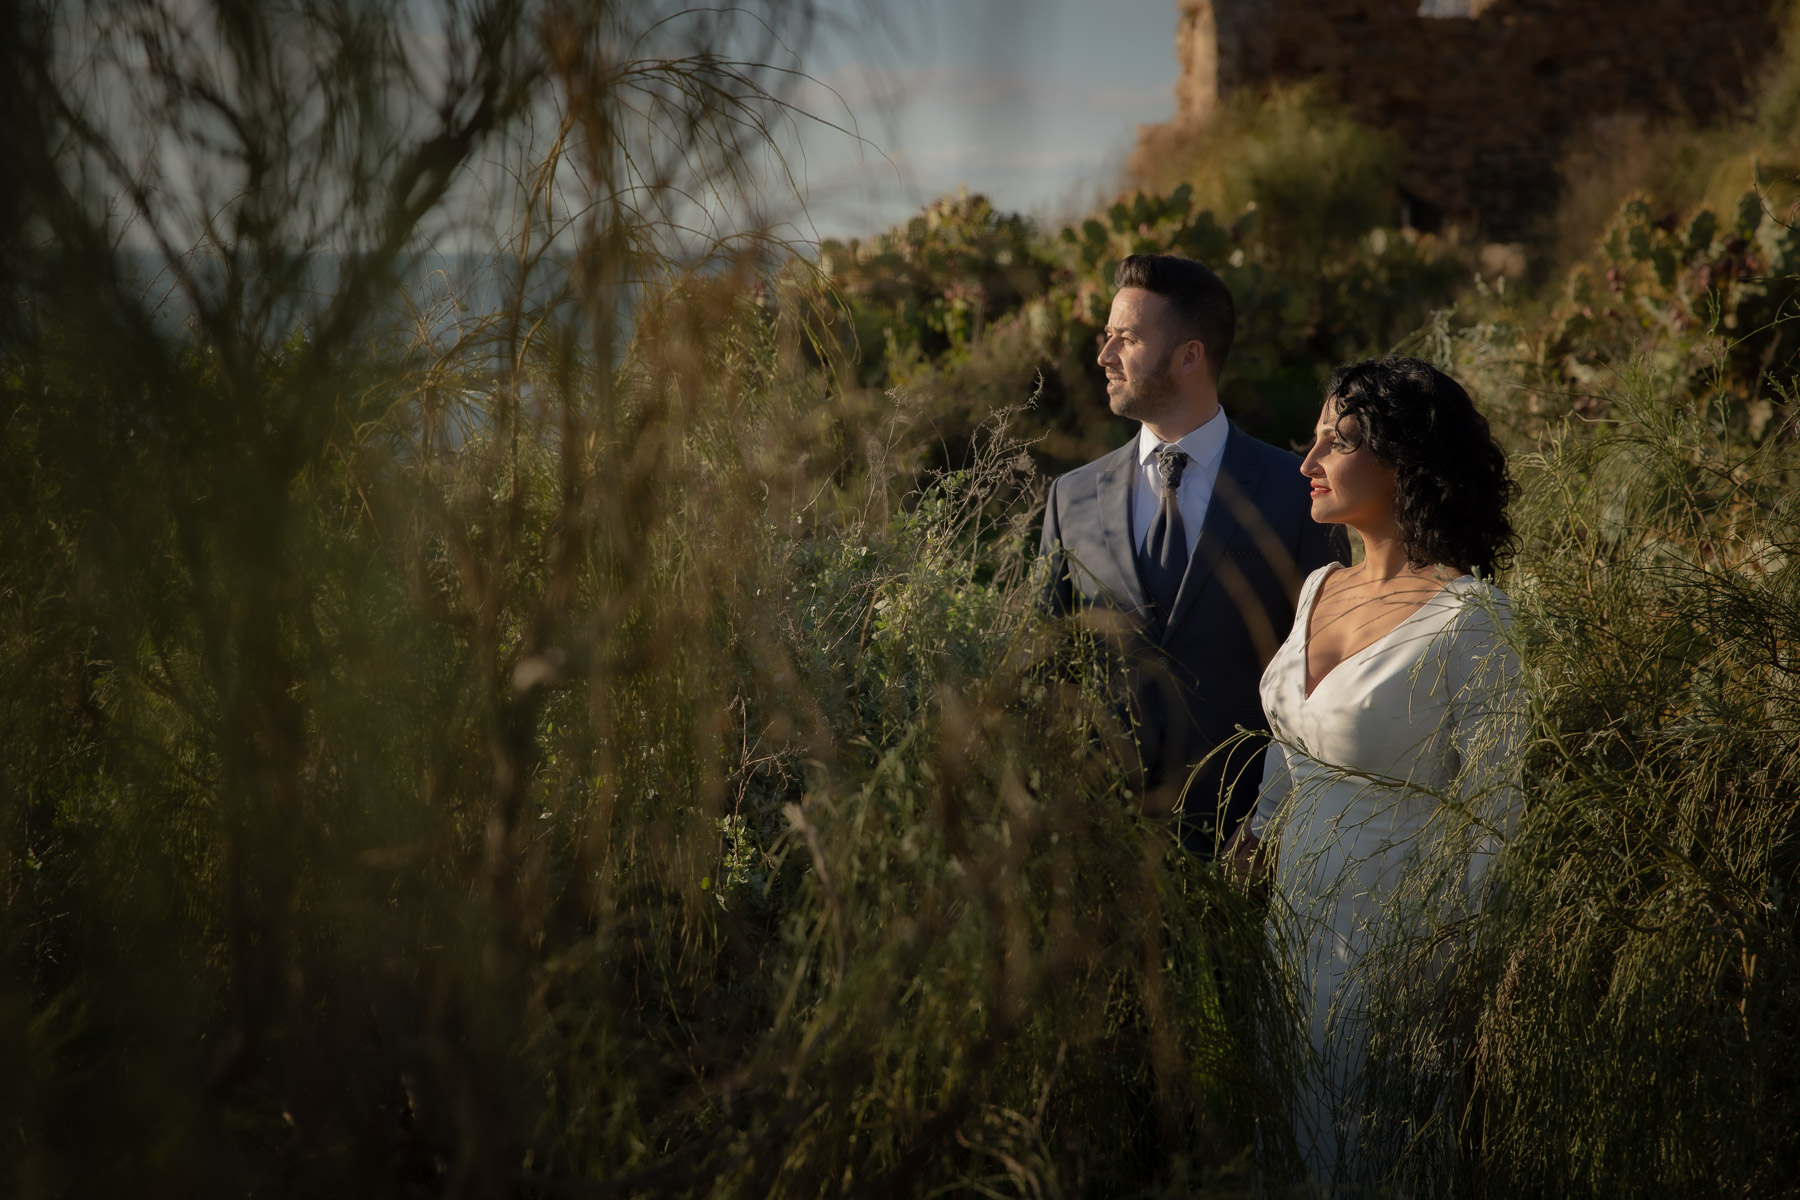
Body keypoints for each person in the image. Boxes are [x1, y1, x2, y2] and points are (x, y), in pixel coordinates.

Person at [1229, 356, 1523, 1190]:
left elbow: (1499, 812)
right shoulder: (1319, 586)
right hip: (1292, 928)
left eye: (1338, 440)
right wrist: (1256, 835)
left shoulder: (1475, 618)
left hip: (1400, 943)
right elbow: (1293, 746)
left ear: (1404, 462)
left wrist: (1462, 967)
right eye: (1313, 438)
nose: (1308, 462)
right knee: (1288, 1143)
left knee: (1378, 1156)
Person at [1039, 253, 1344, 852]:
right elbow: (1049, 670)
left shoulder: (1300, 492)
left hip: (1251, 854)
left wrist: (1275, 825)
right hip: (1103, 854)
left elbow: (1324, 678)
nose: (1104, 356)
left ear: (1188, 356)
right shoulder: (1069, 497)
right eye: (1107, 338)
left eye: (1125, 338)